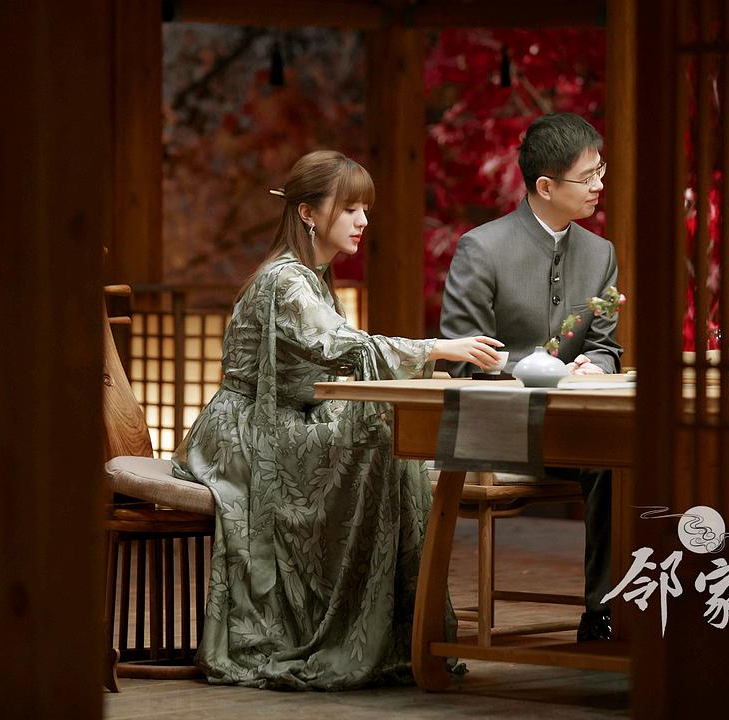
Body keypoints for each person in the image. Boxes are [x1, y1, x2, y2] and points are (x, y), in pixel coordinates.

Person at [172, 150, 501, 690]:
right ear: (307, 213)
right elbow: (343, 345)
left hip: (283, 418)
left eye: (364, 209)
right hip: (243, 432)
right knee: (382, 442)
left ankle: (381, 630)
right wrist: (440, 348)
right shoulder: (286, 280)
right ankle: (361, 629)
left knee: (386, 437)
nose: (363, 220)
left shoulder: (312, 278)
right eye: (349, 208)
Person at [439, 113, 622, 641]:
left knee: (633, 455)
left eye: (600, 171)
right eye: (587, 177)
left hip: (575, 425)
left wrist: (595, 365)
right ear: (545, 186)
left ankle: (618, 609)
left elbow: (607, 346)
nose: (599, 185)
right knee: (609, 460)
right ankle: (604, 611)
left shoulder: (600, 253)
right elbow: (462, 357)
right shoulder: (481, 247)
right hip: (499, 426)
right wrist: (539, 370)